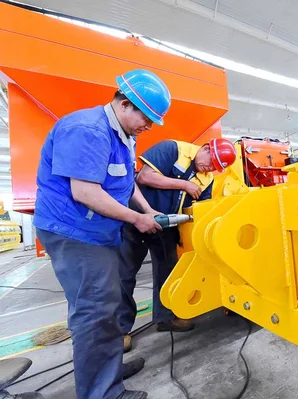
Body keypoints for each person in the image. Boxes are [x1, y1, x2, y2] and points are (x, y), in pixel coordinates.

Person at [33, 69, 171, 399]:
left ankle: (103, 367)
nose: (148, 127)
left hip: (98, 232)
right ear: (125, 104)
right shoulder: (87, 130)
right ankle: (103, 392)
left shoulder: (123, 134)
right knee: (95, 312)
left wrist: (146, 209)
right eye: (146, 118)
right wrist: (137, 220)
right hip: (75, 232)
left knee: (104, 306)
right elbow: (85, 192)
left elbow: (126, 182)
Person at [117, 138, 236, 351]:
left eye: (215, 168)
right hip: (136, 219)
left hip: (166, 228)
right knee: (124, 275)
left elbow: (199, 210)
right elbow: (144, 177)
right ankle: (120, 330)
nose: (209, 169)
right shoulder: (173, 149)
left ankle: (165, 318)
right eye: (211, 163)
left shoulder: (207, 179)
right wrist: (184, 184)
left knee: (167, 272)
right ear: (207, 149)